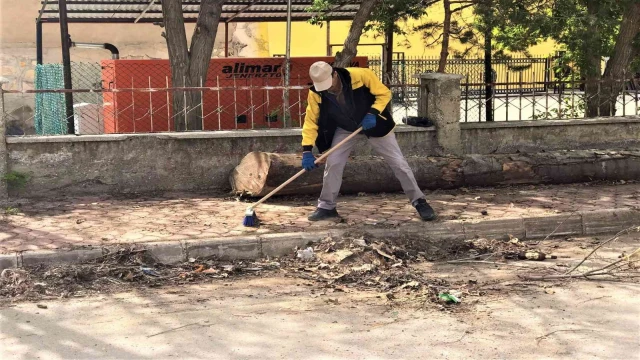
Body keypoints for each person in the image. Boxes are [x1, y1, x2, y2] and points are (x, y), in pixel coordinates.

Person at [300, 61, 437, 222]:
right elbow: (311, 121)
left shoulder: (360, 75)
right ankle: (326, 207)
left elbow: (384, 93)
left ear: (334, 74)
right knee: (334, 163)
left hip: (374, 124)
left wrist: (372, 113)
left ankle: (419, 201)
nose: (328, 88)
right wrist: (307, 150)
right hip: (345, 128)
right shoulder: (316, 92)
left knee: (399, 163)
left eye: (328, 84)